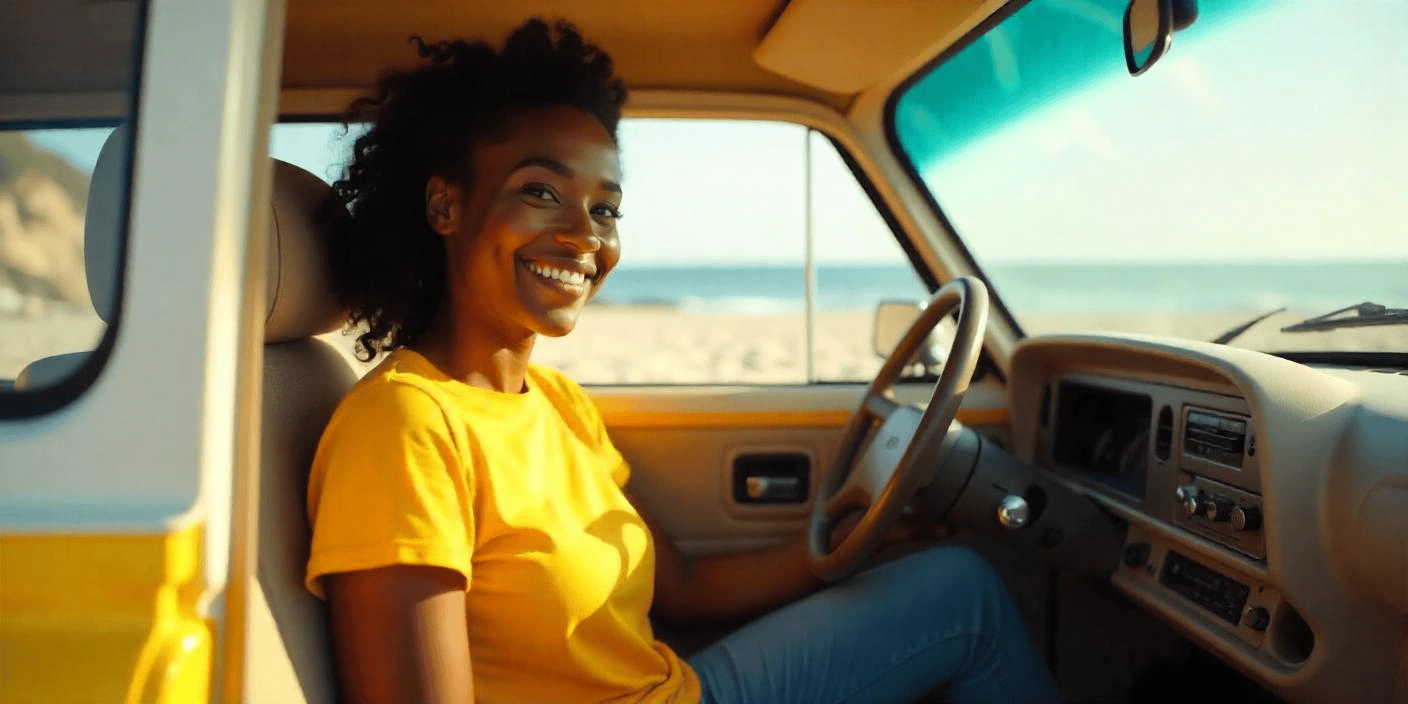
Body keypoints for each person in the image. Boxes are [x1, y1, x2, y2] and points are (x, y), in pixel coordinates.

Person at [304, 18, 1061, 704]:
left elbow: (685, 586)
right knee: (969, 606)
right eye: (540, 192)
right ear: (446, 208)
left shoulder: (556, 401)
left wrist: (835, 546)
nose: (582, 236)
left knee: (959, 585)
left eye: (605, 208)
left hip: (681, 686)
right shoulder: (404, 428)